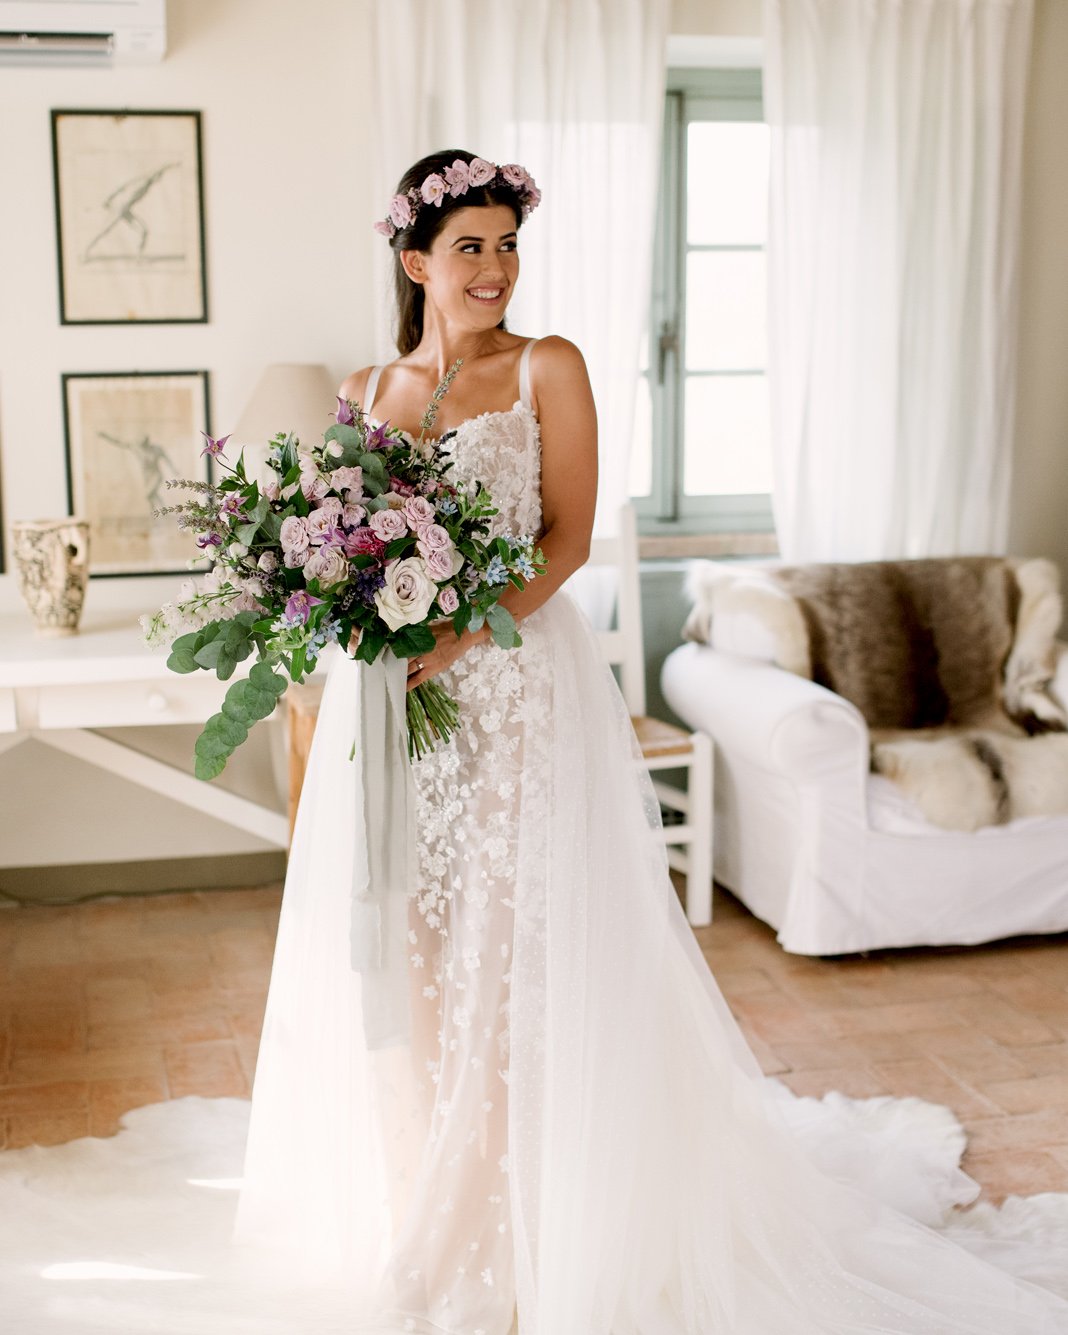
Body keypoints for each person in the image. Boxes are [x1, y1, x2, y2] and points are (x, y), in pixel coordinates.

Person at [233, 150, 1068, 1335]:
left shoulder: (547, 367)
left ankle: (490, 1245)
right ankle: (424, 1200)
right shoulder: (367, 392)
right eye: (469, 246)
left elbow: (565, 541)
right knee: (415, 970)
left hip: (517, 690)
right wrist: (350, 629)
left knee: (511, 968)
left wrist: (458, 639)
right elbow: (341, 548)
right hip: (403, 716)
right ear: (414, 259)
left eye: (508, 245)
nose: (494, 268)